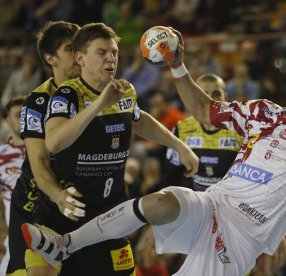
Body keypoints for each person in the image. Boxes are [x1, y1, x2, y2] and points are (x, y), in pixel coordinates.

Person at [23, 17, 286, 276]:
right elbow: (205, 109)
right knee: (160, 202)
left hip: (243, 236)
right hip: (214, 202)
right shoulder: (263, 113)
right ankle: (64, 244)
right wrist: (178, 66)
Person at [25, 22, 198, 276]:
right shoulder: (67, 94)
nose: (111, 58)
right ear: (80, 58)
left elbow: (139, 120)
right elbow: (55, 141)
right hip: (67, 213)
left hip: (111, 217)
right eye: (102, 52)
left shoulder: (124, 90)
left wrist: (179, 145)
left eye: (114, 52)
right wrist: (97, 105)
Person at [7, 21, 82, 276]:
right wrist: (60, 196)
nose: (79, 55)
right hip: (37, 202)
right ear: (51, 58)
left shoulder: (100, 93)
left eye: (81, 47)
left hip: (82, 199)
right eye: (71, 48)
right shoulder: (38, 101)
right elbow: (39, 163)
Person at [164, 73, 243, 191]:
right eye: (203, 94)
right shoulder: (182, 129)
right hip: (194, 200)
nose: (210, 99)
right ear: (195, 97)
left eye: (216, 94)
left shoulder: (239, 130)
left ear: (225, 97)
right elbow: (171, 175)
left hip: (230, 200)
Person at [0, 96, 26, 276]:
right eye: (18, 115)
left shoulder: (49, 149)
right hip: (14, 222)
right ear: (8, 122)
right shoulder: (1, 155)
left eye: (27, 114)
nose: (23, 119)